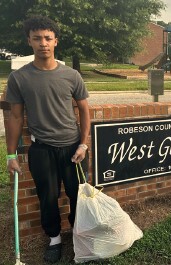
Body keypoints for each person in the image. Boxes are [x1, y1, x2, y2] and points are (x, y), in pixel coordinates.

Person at [6, 15, 90, 263]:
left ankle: (79, 235)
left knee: (78, 195)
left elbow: (84, 110)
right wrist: (10, 155)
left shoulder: (71, 75)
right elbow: (14, 117)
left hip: (73, 148)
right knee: (48, 196)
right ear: (29, 41)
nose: (43, 43)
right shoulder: (19, 78)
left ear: (56, 41)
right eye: (37, 38)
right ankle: (54, 238)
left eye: (48, 38)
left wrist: (84, 143)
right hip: (41, 149)